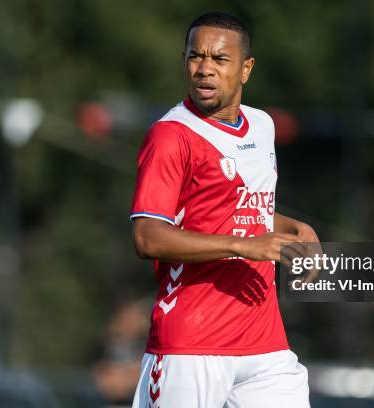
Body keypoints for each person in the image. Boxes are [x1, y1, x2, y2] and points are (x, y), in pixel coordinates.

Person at [129, 11, 319, 408]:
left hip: (264, 346)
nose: (204, 69)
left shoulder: (263, 125)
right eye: (195, 57)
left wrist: (294, 230)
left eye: (219, 59)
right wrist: (245, 245)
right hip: (191, 346)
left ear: (246, 69)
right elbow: (148, 236)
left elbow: (242, 208)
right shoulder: (171, 136)